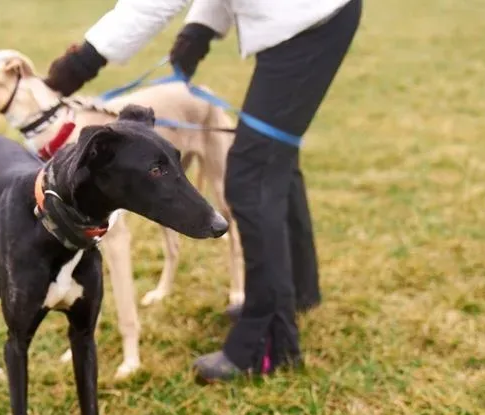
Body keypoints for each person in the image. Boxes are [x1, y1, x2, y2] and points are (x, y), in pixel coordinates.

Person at [43, 0, 362, 382]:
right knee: (273, 162)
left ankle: (269, 343)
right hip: (306, 20)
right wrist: (200, 29)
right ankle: (293, 293)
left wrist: (84, 60)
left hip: (308, 25)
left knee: (253, 175)